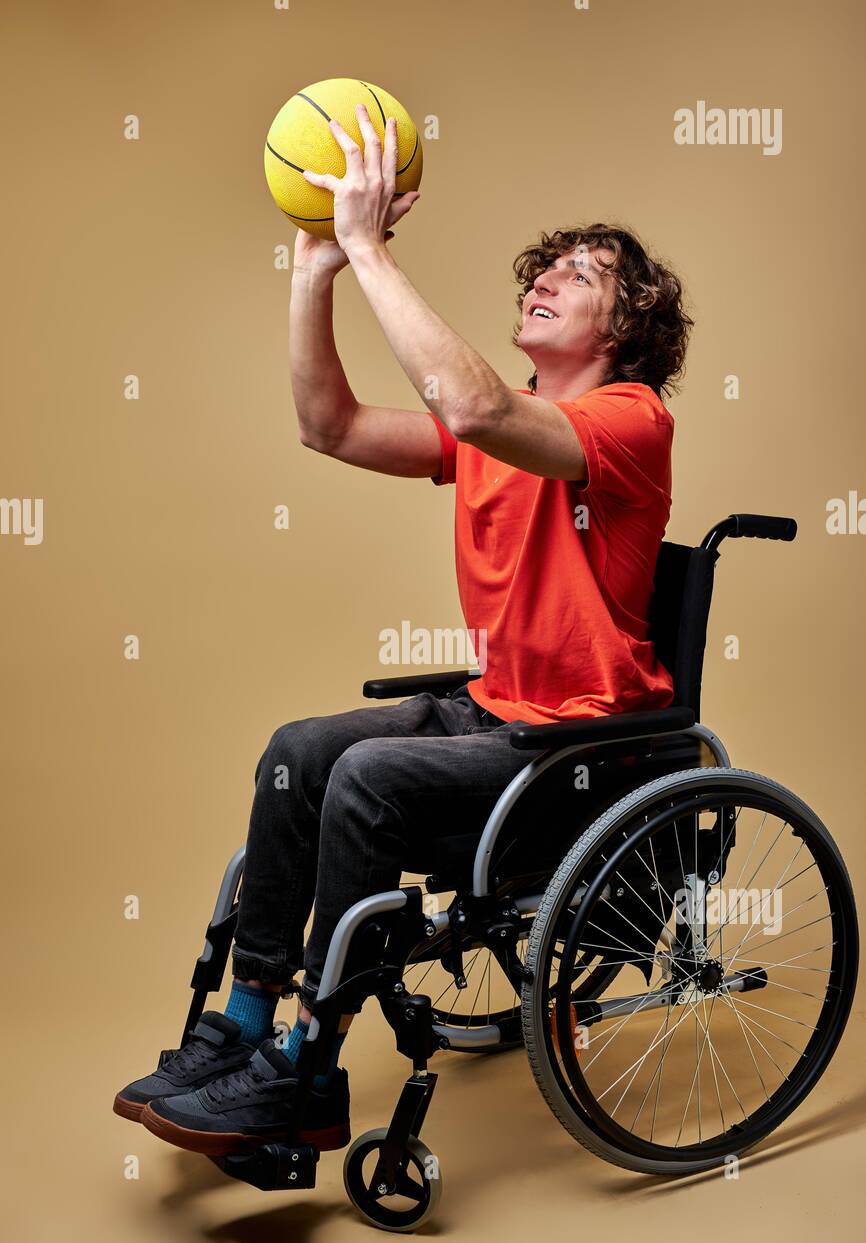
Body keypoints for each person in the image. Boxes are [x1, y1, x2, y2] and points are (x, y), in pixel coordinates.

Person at [114, 105, 693, 1156]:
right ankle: (242, 1023)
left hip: (580, 753)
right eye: (545, 264)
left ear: (623, 325)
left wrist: (372, 246)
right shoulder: (495, 419)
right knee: (299, 752)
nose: (548, 276)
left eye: (583, 272)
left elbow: (472, 411)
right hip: (494, 718)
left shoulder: (627, 419)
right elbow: (325, 425)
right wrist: (316, 267)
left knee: (369, 776)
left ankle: (307, 1065)